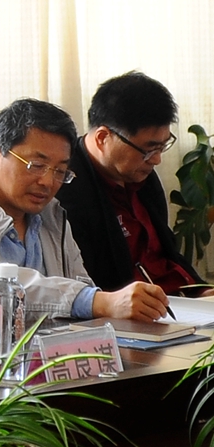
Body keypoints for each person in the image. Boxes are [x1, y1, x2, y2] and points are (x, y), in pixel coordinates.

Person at [0, 98, 171, 323]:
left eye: (60, 171)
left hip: (52, 358)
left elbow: (80, 284)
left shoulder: (52, 217)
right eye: (36, 165)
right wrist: (96, 302)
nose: (48, 182)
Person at [56, 71, 210, 296]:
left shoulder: (140, 176)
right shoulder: (68, 190)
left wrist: (202, 292)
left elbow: (165, 255)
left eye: (162, 147)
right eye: (149, 150)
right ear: (103, 138)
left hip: (184, 301)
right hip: (137, 309)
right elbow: (90, 287)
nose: (157, 160)